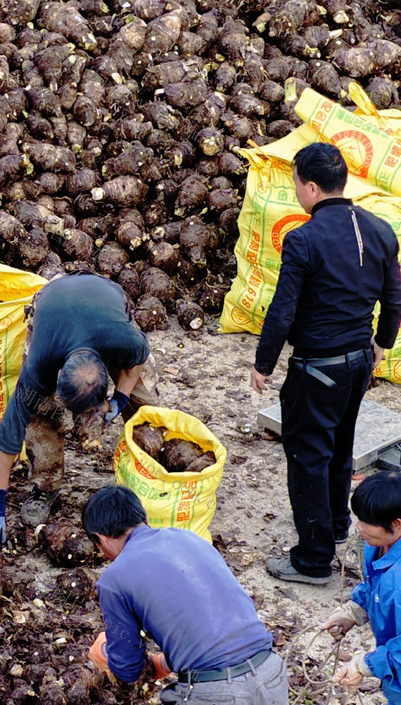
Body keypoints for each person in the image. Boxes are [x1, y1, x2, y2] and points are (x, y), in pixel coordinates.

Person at [250, 143, 401, 585]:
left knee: (308, 457)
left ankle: (313, 560)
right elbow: (394, 298)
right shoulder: (379, 230)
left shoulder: (304, 239)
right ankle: (336, 523)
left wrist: (263, 363)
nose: (298, 192)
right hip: (357, 363)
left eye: (298, 184)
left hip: (317, 367)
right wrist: (381, 343)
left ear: (312, 188)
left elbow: (283, 310)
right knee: (339, 443)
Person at [0, 273, 155, 545]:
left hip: (105, 298)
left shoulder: (125, 341)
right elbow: (7, 438)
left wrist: (121, 397)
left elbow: (137, 364)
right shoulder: (39, 368)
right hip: (52, 304)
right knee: (40, 414)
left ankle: (152, 475)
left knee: (146, 405)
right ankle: (46, 484)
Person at [83, 486, 288, 704]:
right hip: (272, 673)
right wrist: (163, 664)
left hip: (216, 693)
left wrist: (106, 654)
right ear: (144, 518)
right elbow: (209, 621)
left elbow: (128, 669)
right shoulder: (191, 538)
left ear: (101, 539)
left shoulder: (114, 579)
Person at [321, 471, 401, 702]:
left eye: (367, 522)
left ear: (396, 524)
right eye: (359, 518)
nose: (359, 527)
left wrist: (366, 665)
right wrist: (355, 611)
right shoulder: (376, 545)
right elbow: (374, 585)